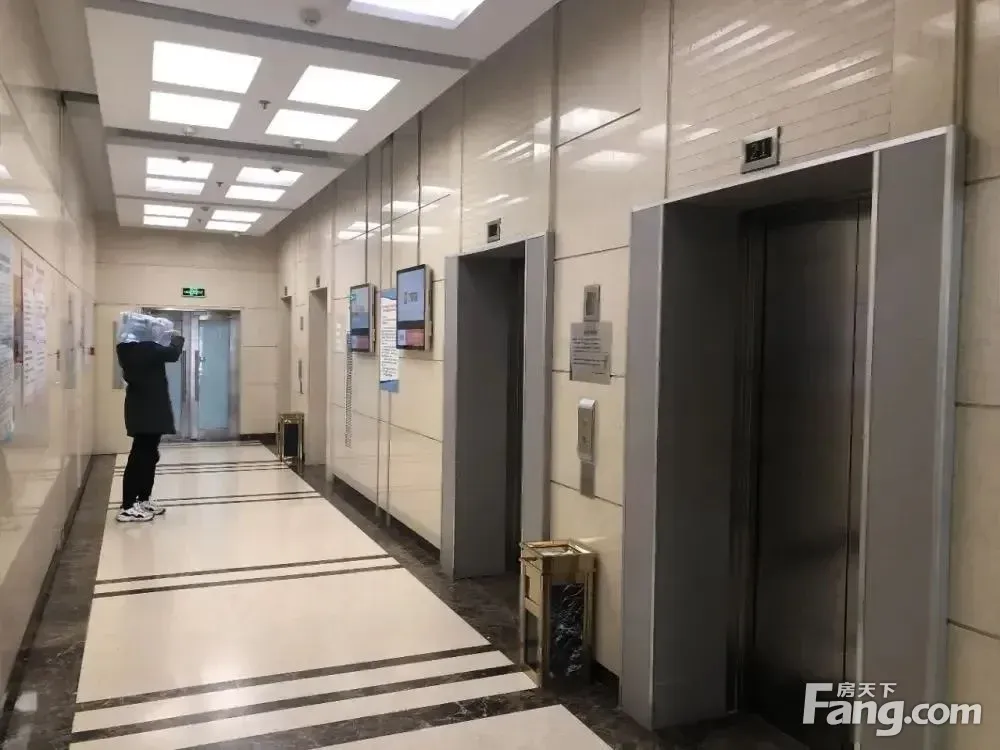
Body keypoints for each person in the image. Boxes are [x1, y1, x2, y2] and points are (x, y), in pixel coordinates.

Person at [115, 313, 184, 523]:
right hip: (148, 411)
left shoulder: (128, 349)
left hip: (144, 409)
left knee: (149, 455)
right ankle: (128, 506)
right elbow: (173, 353)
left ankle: (143, 499)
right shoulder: (144, 349)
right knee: (140, 457)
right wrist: (176, 336)